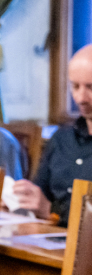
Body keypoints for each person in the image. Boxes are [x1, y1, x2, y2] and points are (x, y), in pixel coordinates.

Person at [12, 43, 92, 221]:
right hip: (48, 240)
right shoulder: (61, 139)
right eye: (75, 86)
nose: (80, 98)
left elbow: (48, 207)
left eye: (90, 88)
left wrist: (51, 210)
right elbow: (39, 194)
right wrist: (19, 201)